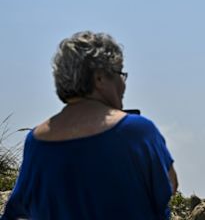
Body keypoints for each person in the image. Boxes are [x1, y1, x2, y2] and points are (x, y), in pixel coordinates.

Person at [1, 31, 178, 220]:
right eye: (120, 74)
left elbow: (17, 209)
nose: (123, 83)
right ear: (99, 78)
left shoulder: (36, 141)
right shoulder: (137, 132)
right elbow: (169, 186)